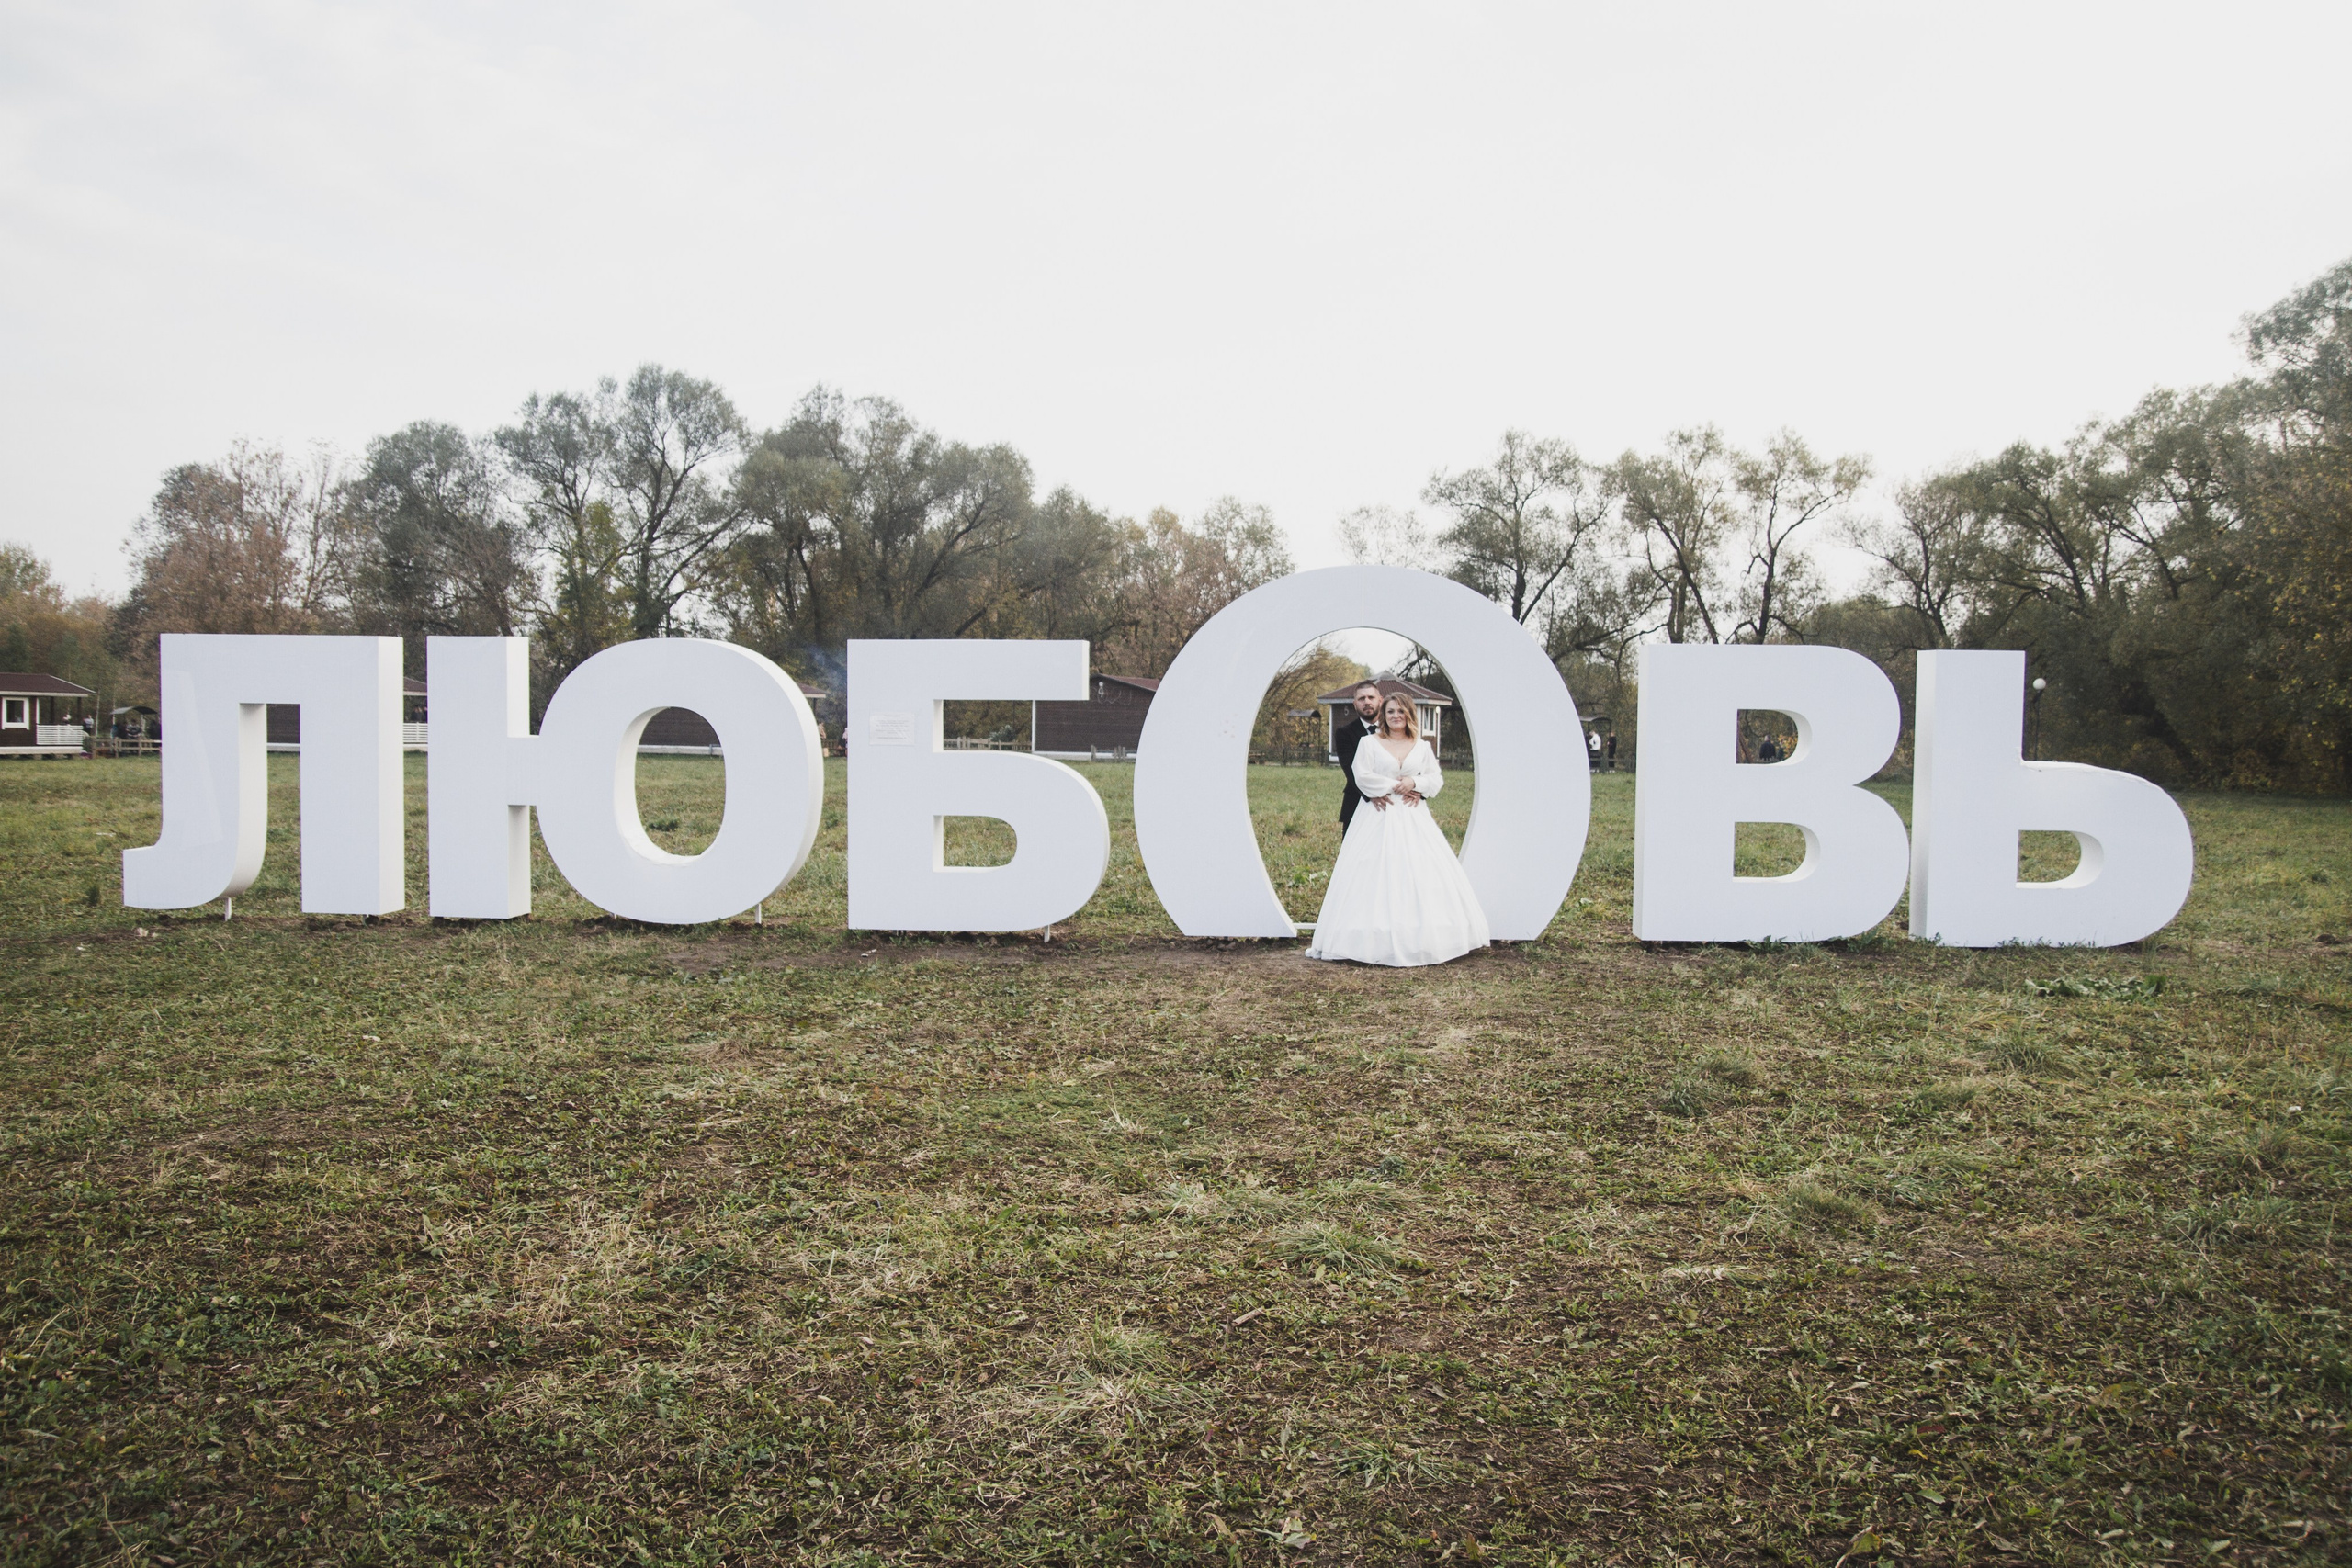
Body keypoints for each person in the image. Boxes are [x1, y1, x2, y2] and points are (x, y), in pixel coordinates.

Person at [1307, 694, 1491, 967]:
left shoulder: (1422, 746)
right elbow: (1361, 774)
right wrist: (1392, 786)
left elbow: (1434, 778)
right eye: (1391, 711)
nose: (1395, 716)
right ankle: (1366, 937)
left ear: (1409, 715)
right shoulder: (1369, 743)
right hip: (1378, 815)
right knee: (1374, 872)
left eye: (1401, 712)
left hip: (1413, 816)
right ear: (1384, 714)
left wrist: (1414, 783)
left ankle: (1424, 935)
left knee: (1418, 871)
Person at [1332, 682, 1384, 829]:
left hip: (1392, 803)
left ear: (1380, 700)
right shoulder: (1344, 733)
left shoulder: (1393, 730)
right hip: (1358, 801)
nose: (1366, 702)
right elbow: (1352, 770)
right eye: (1361, 699)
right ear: (1355, 705)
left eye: (1371, 697)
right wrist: (1374, 794)